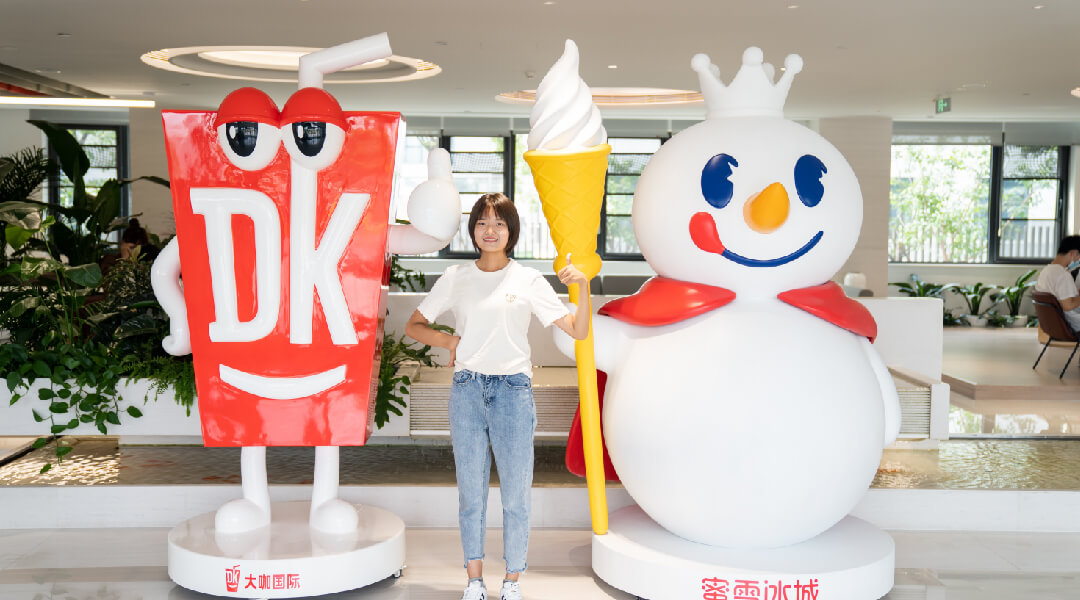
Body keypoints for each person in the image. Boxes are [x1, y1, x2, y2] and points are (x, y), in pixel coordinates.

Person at [405, 192, 591, 600]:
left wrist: (582, 285)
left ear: (511, 231)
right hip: (467, 391)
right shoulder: (456, 277)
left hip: (513, 393)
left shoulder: (528, 280)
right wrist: (450, 340)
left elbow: (577, 330)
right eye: (482, 222)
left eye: (499, 223)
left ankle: (511, 581)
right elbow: (414, 325)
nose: (490, 230)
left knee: (515, 496)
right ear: (473, 230)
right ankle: (474, 581)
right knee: (471, 494)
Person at [1035, 235, 1080, 331]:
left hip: (1053, 324)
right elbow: (1068, 306)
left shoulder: (1046, 271)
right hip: (1073, 324)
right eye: (1079, 258)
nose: (1078, 262)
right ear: (1073, 253)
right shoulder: (1063, 274)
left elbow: (1063, 296)